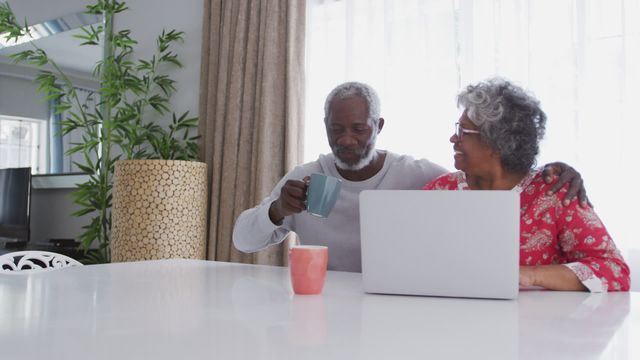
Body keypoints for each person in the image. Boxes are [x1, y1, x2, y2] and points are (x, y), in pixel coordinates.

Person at [233, 81, 587, 272]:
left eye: (358, 129)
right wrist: (277, 210)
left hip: (395, 304)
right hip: (326, 302)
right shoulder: (306, 177)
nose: (346, 140)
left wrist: (543, 171)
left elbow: (483, 186)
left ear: (379, 126)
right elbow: (243, 241)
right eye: (336, 129)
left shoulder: (420, 175)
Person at [423, 78, 630, 292]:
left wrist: (530, 275)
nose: (452, 139)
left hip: (536, 322)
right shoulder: (440, 191)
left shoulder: (554, 191)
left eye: (462, 132)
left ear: (496, 142)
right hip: (452, 317)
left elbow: (614, 271)